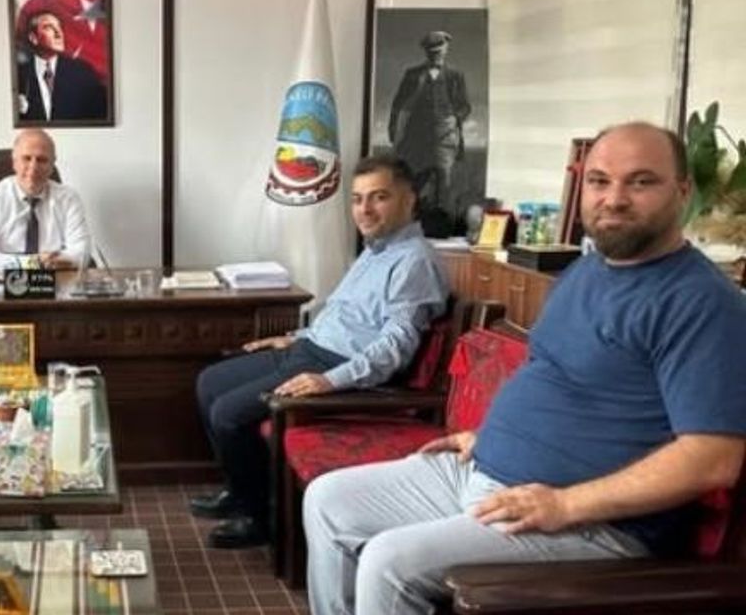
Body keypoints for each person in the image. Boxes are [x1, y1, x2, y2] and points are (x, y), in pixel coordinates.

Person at [303, 122, 746, 615]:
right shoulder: (585, 271)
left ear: (683, 192)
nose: (614, 198)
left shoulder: (703, 303)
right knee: (328, 500)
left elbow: (712, 458)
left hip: (590, 523)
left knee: (389, 562)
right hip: (487, 471)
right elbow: (555, 379)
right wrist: (486, 435)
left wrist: (564, 505)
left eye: (641, 182)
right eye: (599, 181)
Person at [190, 154, 449, 549]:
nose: (365, 209)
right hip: (311, 348)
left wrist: (330, 380)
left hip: (337, 366)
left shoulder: (414, 261)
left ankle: (260, 519)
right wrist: (296, 336)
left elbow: (395, 346)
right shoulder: (376, 249)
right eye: (357, 199)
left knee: (228, 413)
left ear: (409, 199)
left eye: (379, 197)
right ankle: (241, 492)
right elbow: (345, 316)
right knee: (209, 382)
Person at [0, 129, 92, 271]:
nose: (33, 167)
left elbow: (82, 252)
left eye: (42, 160)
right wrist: (31, 263)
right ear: (14, 162)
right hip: (5, 281)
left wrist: (59, 261)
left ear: (52, 165)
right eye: (26, 158)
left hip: (54, 280)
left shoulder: (68, 199)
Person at [388, 30, 471, 222]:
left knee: (444, 182)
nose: (436, 55)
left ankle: (442, 225)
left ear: (446, 50)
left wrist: (454, 118)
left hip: (445, 138)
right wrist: (393, 130)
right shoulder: (412, 74)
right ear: (426, 52)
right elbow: (397, 105)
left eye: (439, 51)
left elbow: (465, 106)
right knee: (415, 183)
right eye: (432, 52)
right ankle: (411, 223)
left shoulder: (455, 75)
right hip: (417, 138)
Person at [15, 9, 108, 122]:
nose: (58, 33)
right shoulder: (19, 75)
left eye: (59, 27)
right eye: (49, 27)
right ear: (33, 38)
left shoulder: (82, 73)